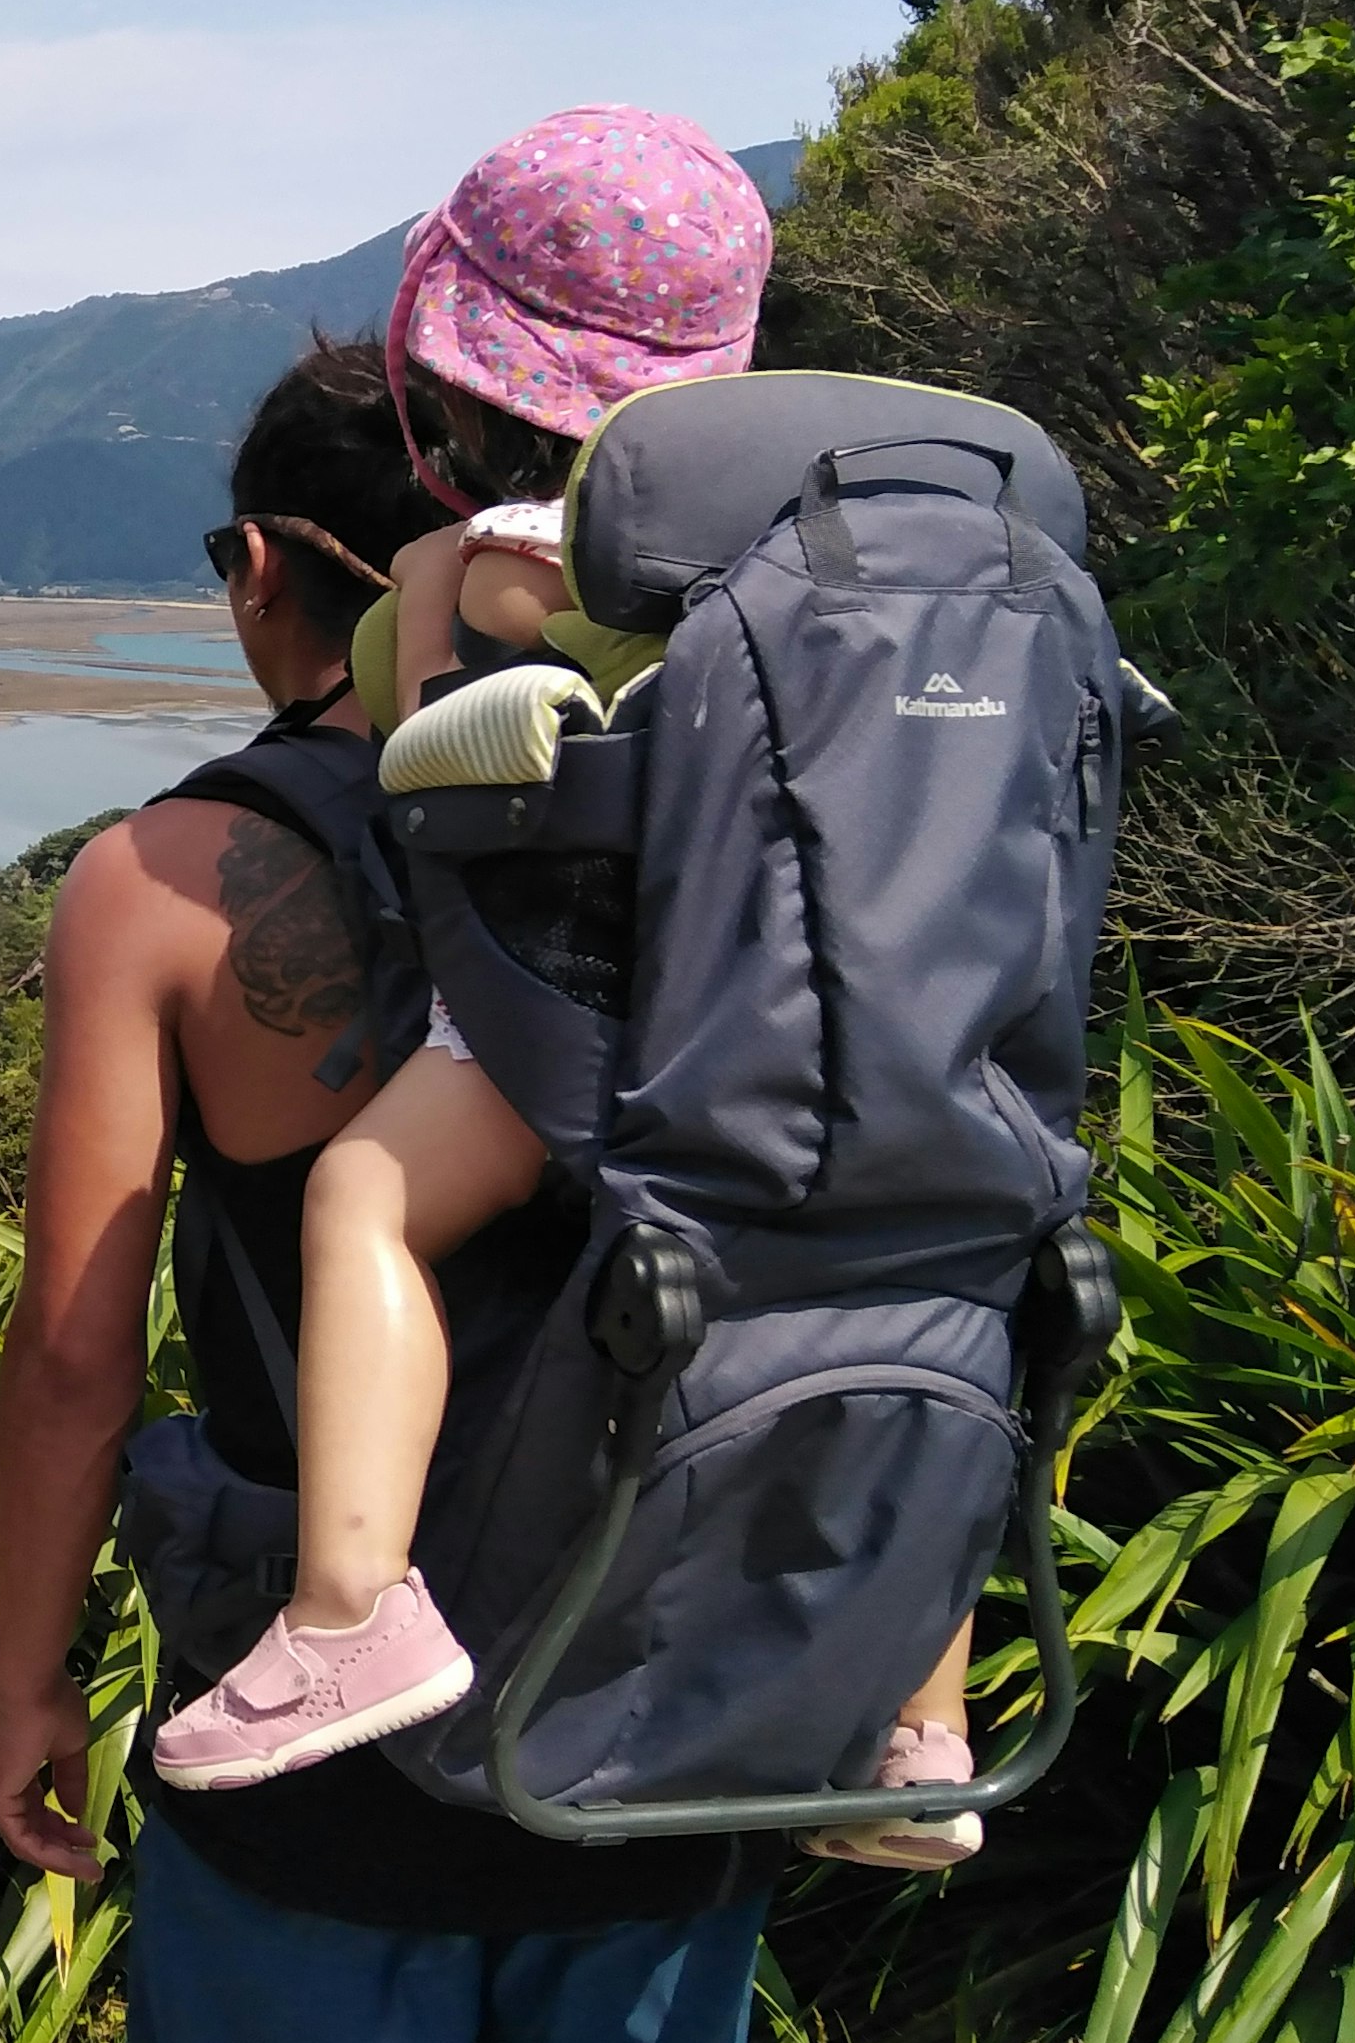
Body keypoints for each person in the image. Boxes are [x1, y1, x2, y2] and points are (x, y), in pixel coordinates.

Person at [0, 333, 771, 2043]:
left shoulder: (166, 883)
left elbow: (76, 1356)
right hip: (655, 1719)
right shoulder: (712, 827)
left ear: (266, 561)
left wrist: (30, 1682)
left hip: (318, 1778)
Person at [139, 109, 978, 1875]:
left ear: (462, 381)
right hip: (873, 1035)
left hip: (585, 1029)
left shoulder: (525, 555)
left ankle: (355, 1603)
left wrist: (435, 605)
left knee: (365, 1202)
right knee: (911, 1287)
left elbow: (423, 755)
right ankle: (915, 1714)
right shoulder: (867, 559)